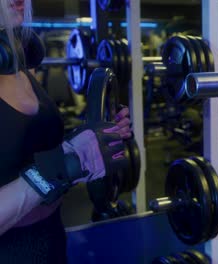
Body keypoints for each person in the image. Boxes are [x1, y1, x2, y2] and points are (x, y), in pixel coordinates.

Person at [0, 0, 132, 262]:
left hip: (50, 236)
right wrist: (67, 162)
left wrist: (93, 141)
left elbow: (36, 153)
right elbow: (53, 167)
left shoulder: (20, 68)